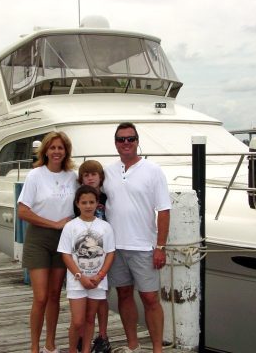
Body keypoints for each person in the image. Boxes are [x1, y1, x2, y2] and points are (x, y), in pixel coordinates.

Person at [103, 122, 171, 353]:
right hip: (115, 247)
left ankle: (157, 349)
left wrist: (160, 246)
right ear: (115, 143)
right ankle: (132, 344)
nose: (126, 143)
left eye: (130, 139)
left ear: (137, 141)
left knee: (150, 298)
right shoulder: (108, 172)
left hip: (144, 246)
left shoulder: (153, 171)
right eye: (121, 139)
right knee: (123, 294)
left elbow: (163, 210)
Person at [18, 131, 78, 353]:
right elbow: (23, 211)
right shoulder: (36, 175)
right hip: (39, 238)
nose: (56, 152)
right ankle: (34, 347)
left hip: (64, 240)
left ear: (66, 151)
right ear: (45, 151)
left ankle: (50, 345)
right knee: (41, 296)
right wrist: (53, 224)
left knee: (55, 295)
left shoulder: (73, 176)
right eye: (52, 148)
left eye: (60, 148)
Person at [58, 185, 115, 353]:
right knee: (77, 321)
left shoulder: (105, 227)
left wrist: (100, 275)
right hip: (77, 281)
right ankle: (72, 350)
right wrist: (79, 276)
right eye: (84, 202)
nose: (88, 206)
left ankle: (85, 350)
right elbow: (66, 254)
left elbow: (110, 253)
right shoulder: (70, 226)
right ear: (77, 204)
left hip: (98, 280)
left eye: (91, 202)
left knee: (90, 318)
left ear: (98, 203)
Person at [74, 160, 112, 353]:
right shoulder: (80, 199)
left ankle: (103, 336)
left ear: (100, 177)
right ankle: (82, 336)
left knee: (102, 296)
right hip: (84, 258)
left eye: (94, 174)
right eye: (86, 175)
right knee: (83, 298)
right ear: (81, 179)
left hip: (104, 254)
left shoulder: (106, 197)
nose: (90, 177)